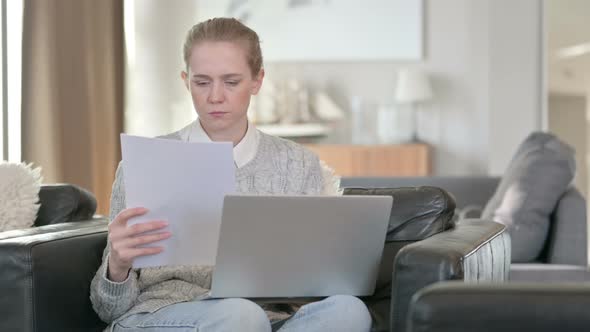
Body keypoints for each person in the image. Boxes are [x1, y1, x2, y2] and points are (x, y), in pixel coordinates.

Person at [90, 17, 372, 332]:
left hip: (268, 319)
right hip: (163, 314)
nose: (215, 97)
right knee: (239, 316)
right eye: (202, 82)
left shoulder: (298, 163)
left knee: (349, 310)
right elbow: (108, 310)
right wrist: (118, 266)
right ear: (186, 81)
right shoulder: (143, 163)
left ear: (257, 81)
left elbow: (308, 291)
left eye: (231, 81)